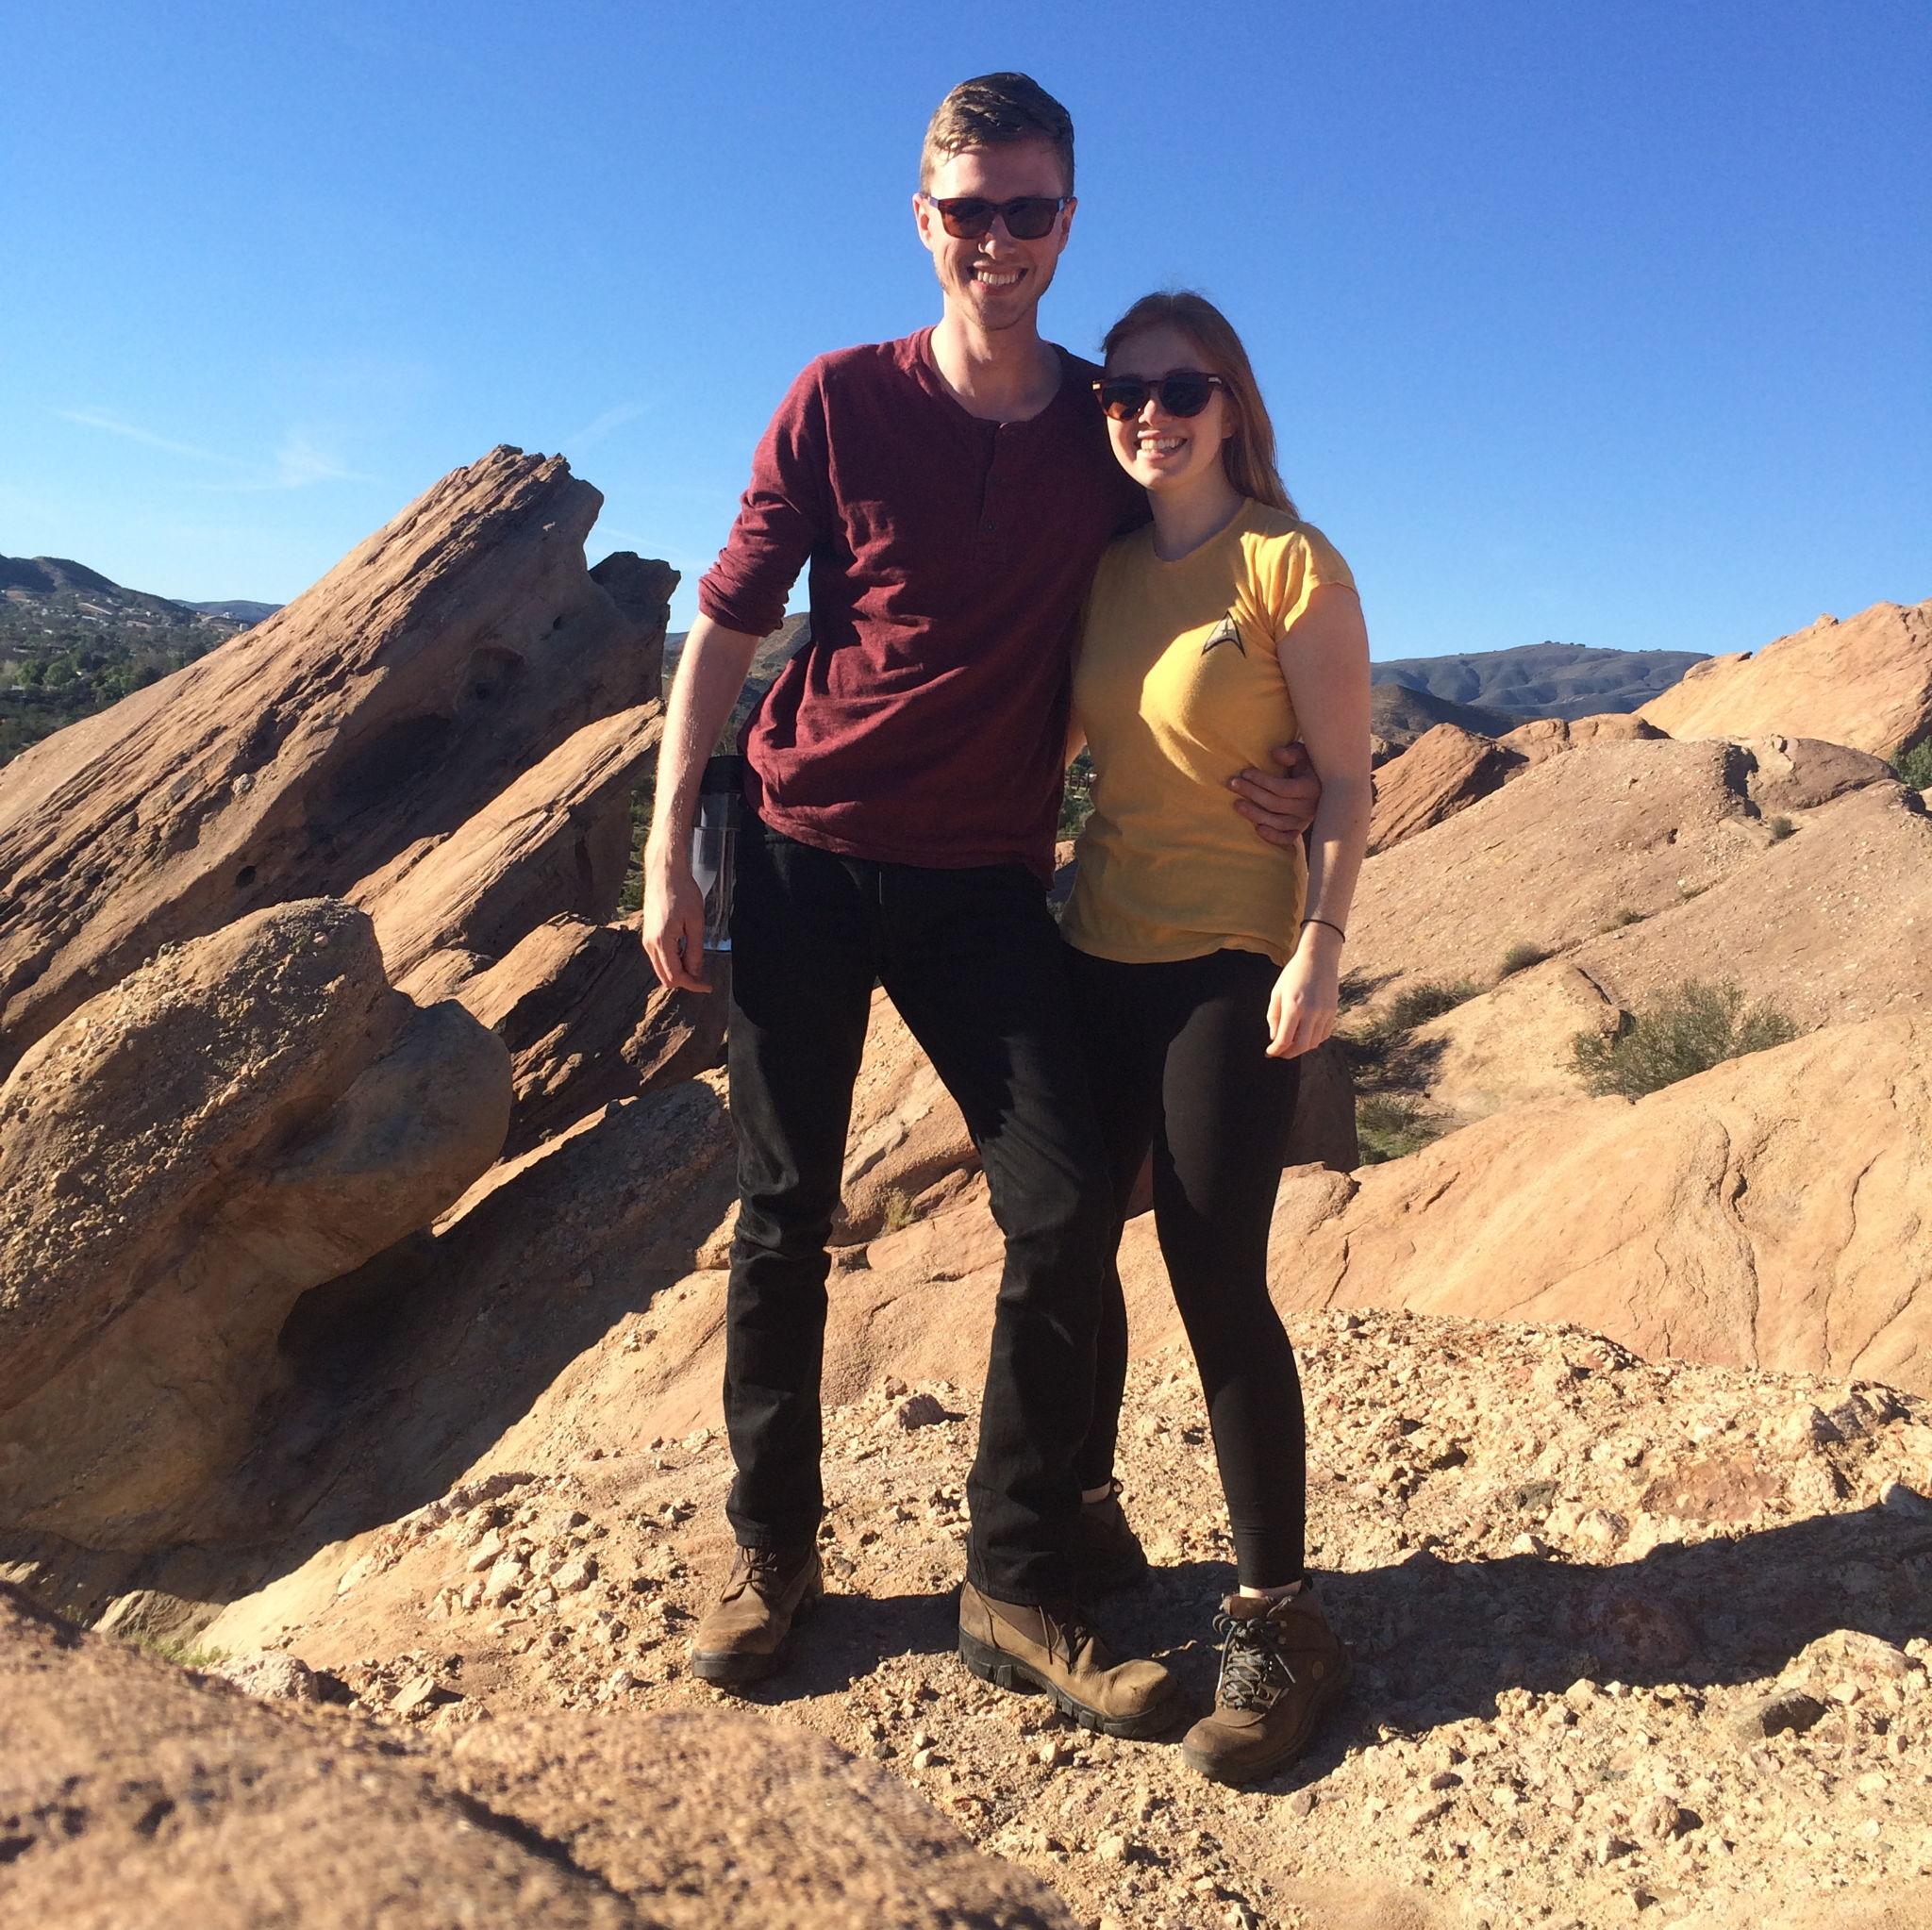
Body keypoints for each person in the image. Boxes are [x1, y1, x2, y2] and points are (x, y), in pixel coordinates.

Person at [641, 74, 1320, 1736]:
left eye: (1028, 211)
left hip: (983, 881)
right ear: (922, 218)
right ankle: (769, 1546)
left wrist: (1303, 763)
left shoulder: (1112, 422)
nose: (996, 241)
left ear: (1067, 223)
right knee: (785, 1212)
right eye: (967, 209)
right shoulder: (839, 399)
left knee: (1067, 1197)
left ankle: (1013, 1575)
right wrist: (670, 851)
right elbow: (725, 628)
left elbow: (1231, 561)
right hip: (803, 852)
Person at [1059, 291, 1373, 1784]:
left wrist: (1319, 942)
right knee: (1055, 1230)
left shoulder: (1287, 563)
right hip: (1093, 943)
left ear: (1232, 404)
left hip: (1230, 960)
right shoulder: (1108, 569)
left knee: (1208, 1261)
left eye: (1182, 387)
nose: (1150, 410)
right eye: (1126, 387)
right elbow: (1058, 747)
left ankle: (1278, 1614)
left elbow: (1348, 783)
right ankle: (1078, 1517)